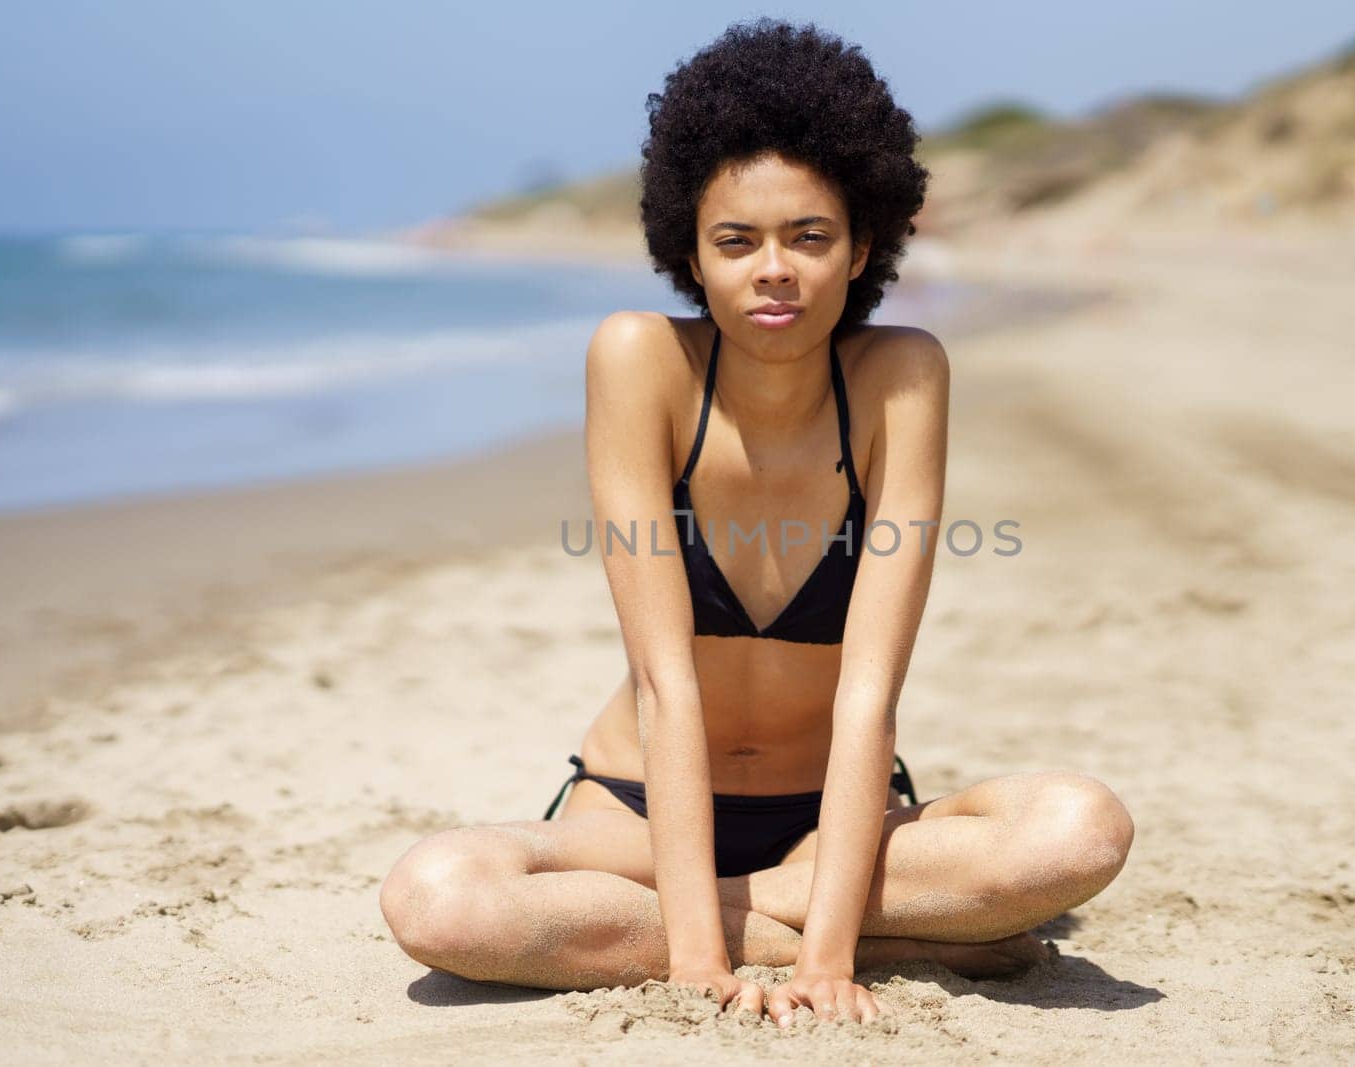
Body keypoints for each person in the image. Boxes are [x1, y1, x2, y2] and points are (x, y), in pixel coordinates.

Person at [379, 18, 1134, 1029]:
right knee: (438, 894)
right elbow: (664, 679)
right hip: (638, 815)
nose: (771, 268)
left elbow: (870, 696)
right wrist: (695, 957)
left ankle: (801, 913)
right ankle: (900, 931)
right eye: (735, 240)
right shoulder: (639, 358)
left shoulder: (899, 377)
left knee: (1079, 829)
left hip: (831, 822)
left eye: (807, 237)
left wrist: (827, 958)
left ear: (863, 242)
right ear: (689, 249)